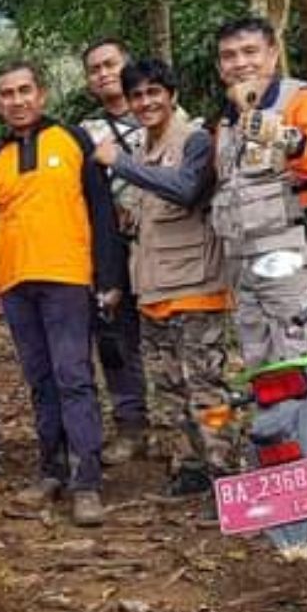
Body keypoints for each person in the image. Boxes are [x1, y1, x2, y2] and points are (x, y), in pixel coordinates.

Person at [0, 61, 124, 526]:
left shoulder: (74, 141)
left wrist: (109, 277)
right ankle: (51, 470)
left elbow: (101, 210)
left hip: (68, 276)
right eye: (7, 94)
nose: (17, 101)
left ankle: (87, 481)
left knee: (73, 375)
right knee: (39, 379)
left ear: (43, 94)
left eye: (25, 90)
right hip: (16, 282)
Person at [94, 58, 232, 496]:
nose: (145, 102)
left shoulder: (193, 140)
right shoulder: (142, 149)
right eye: (137, 95)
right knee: (169, 386)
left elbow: (186, 190)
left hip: (195, 285)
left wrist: (120, 164)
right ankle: (188, 466)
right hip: (152, 287)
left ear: (171, 95)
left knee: (206, 386)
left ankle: (224, 473)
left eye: (154, 92)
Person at [212, 16, 307, 367]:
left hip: (297, 261)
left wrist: (288, 138)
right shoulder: (225, 123)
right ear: (219, 66)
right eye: (229, 55)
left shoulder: (302, 100)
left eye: (250, 51)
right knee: (263, 367)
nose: (240, 63)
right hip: (243, 270)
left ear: (273, 54)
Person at [79, 38, 150, 467]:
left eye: (111, 64)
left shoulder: (164, 114)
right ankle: (132, 425)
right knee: (116, 339)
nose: (104, 73)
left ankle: (190, 434)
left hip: (165, 246)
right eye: (95, 69)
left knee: (172, 340)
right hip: (112, 248)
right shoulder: (86, 133)